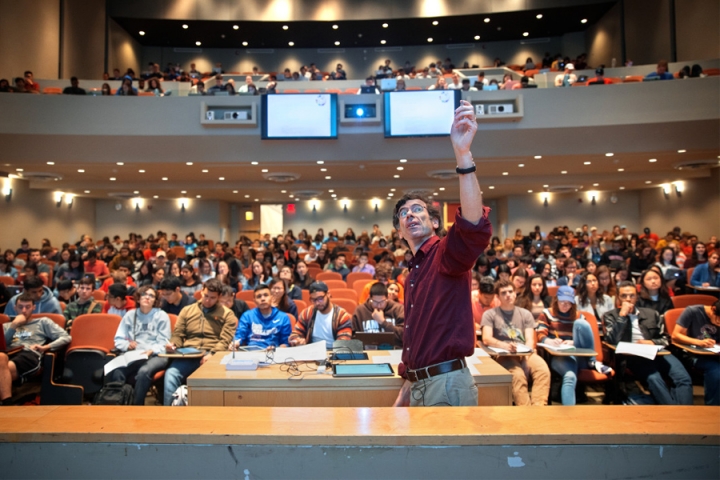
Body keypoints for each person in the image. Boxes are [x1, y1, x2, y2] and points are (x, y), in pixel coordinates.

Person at [392, 99, 491, 407]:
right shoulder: (413, 274)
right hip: (421, 385)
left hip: (447, 386)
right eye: (404, 213)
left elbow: (473, 225)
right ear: (399, 231)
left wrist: (463, 154)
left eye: (418, 209)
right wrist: (403, 396)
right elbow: (419, 347)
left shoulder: (446, 255)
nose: (410, 215)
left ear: (434, 222)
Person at [603, 281, 692, 405]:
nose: (628, 299)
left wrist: (651, 342)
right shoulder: (610, 316)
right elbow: (612, 340)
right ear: (618, 297)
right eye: (624, 296)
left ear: (637, 296)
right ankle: (672, 411)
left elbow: (666, 339)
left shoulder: (652, 314)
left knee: (683, 378)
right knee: (654, 379)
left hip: (658, 353)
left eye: (632, 295)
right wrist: (622, 316)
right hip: (634, 356)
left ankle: (686, 412)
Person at [163, 279, 237, 405]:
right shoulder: (187, 310)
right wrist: (173, 344)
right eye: (206, 296)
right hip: (189, 353)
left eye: (212, 298)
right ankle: (170, 412)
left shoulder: (227, 314)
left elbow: (225, 340)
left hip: (213, 354)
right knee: (171, 374)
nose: (208, 300)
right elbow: (178, 334)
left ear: (219, 297)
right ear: (202, 291)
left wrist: (212, 354)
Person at [536, 286, 612, 405]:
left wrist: (573, 342)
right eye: (562, 302)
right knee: (570, 377)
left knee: (581, 323)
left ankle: (592, 361)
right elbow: (540, 333)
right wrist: (548, 341)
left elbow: (583, 337)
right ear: (556, 300)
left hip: (578, 355)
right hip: (560, 357)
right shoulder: (547, 313)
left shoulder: (578, 315)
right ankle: (570, 414)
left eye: (568, 303)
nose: (565, 305)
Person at [481, 280, 550, 405]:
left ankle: (539, 410)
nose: (508, 295)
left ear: (515, 294)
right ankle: (526, 412)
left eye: (510, 291)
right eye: (503, 293)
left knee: (543, 371)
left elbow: (530, 339)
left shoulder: (525, 314)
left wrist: (525, 357)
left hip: (525, 352)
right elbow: (486, 338)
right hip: (504, 355)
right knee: (518, 376)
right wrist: (505, 345)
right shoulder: (489, 314)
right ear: (498, 297)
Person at [0, 294, 71, 405]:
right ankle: (7, 403)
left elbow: (66, 337)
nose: (24, 310)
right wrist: (14, 325)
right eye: (20, 307)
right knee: (1, 357)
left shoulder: (43, 322)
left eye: (27, 307)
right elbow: (3, 345)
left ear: (33, 307)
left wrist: (46, 347)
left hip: (29, 354)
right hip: (10, 353)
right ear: (15, 308)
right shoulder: (7, 326)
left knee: (3, 369)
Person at [106, 285, 171, 405]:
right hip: (135, 354)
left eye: (151, 295)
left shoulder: (161, 316)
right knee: (117, 371)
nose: (147, 297)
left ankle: (137, 406)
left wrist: (152, 350)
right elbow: (119, 338)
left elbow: (164, 342)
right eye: (144, 294)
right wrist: (127, 345)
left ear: (155, 301)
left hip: (157, 355)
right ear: (137, 298)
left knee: (143, 371)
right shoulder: (130, 315)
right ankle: (118, 403)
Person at [672, 300, 720, 405]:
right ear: (713, 310)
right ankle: (713, 407)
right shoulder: (692, 311)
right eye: (719, 321)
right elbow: (675, 335)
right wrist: (698, 342)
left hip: (714, 353)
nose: (719, 324)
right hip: (693, 354)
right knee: (716, 370)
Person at [288, 281, 352, 348]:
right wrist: (297, 341)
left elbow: (344, 342)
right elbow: (294, 335)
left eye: (320, 299)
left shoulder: (341, 316)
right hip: (312, 352)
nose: (317, 303)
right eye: (314, 300)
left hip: (334, 353)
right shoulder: (307, 313)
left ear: (328, 294)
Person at [233, 284, 292, 350]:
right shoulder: (247, 316)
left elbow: (285, 343)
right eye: (259, 297)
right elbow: (240, 335)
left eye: (266, 295)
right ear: (254, 301)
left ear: (272, 297)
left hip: (273, 354)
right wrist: (235, 343)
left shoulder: (283, 317)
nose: (263, 299)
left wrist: (279, 349)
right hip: (251, 354)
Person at [351, 283, 405, 348]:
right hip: (368, 352)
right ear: (370, 298)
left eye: (382, 302)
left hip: (394, 351)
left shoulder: (398, 309)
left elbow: (404, 335)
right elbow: (354, 338)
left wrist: (383, 322)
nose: (379, 305)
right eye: (375, 302)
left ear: (387, 298)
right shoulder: (360, 311)